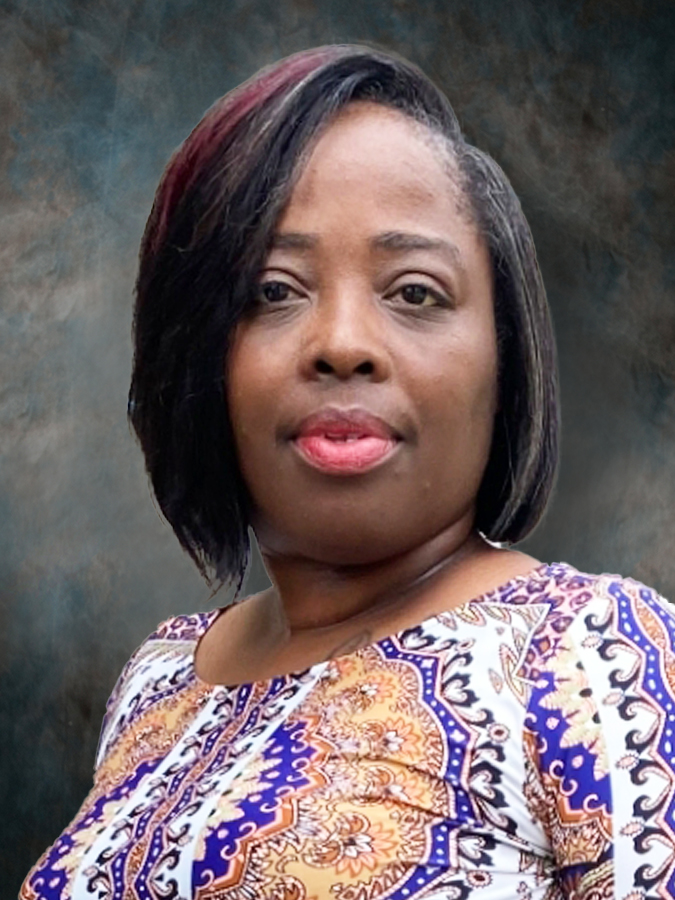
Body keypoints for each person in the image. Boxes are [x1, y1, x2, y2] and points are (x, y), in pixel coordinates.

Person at [21, 44, 675, 900]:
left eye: (414, 292)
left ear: (505, 358)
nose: (341, 344)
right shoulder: (160, 677)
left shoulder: (595, 651)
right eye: (273, 290)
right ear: (198, 351)